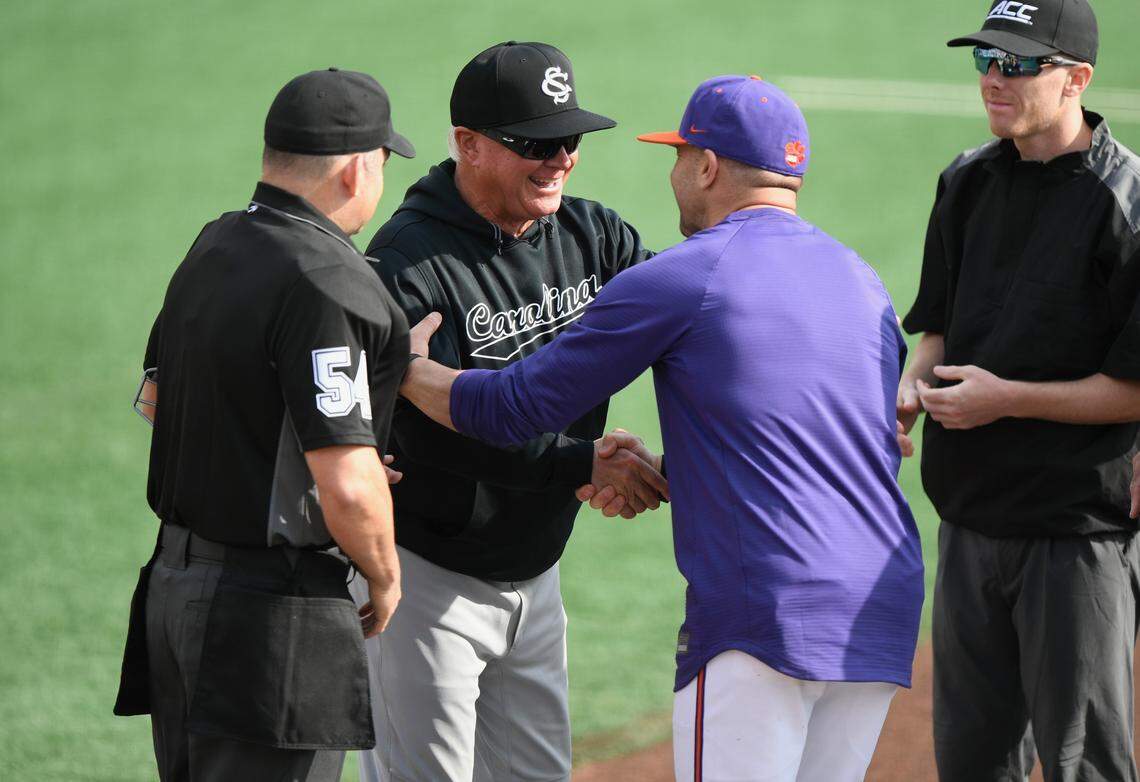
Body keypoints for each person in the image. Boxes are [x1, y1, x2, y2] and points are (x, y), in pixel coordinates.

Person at [399, 74, 925, 782]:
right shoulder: (860, 278)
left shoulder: (687, 275)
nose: (674, 173)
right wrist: (656, 471)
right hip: (879, 606)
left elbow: (511, 408)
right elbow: (845, 438)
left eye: (679, 156)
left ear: (706, 167)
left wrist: (407, 367)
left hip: (762, 611)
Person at [350, 40, 667, 782]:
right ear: (467, 143)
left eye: (568, 139)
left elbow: (691, 325)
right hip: (424, 581)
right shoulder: (406, 264)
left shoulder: (597, 238)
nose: (560, 159)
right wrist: (580, 463)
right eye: (535, 143)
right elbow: (419, 438)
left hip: (538, 572)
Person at [113, 68, 415, 781]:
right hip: (269, 623)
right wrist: (384, 571)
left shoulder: (214, 245)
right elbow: (344, 480)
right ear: (354, 170)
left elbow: (158, 401)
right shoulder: (326, 278)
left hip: (175, 593)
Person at [894, 1, 1140, 778]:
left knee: (1084, 763)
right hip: (968, 520)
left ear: (1077, 81)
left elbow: (1133, 391)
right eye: (986, 60)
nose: (995, 79)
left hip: (1075, 534)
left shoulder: (1125, 204)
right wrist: (910, 383)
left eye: (1020, 64)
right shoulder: (965, 181)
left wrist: (1006, 398)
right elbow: (937, 329)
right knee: (972, 763)